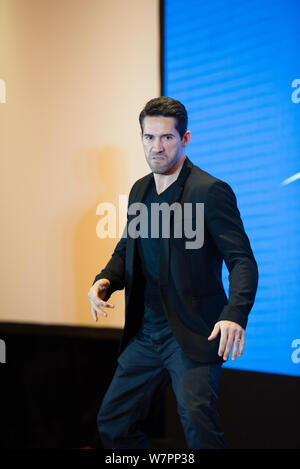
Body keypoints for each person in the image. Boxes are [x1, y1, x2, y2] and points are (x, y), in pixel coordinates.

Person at [88, 97, 259, 449]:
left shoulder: (209, 191)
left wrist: (235, 315)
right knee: (113, 421)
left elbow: (242, 261)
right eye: (149, 138)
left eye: (166, 138)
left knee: (199, 426)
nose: (157, 147)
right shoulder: (140, 190)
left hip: (194, 331)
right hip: (147, 331)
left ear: (185, 138)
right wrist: (104, 280)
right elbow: (127, 250)